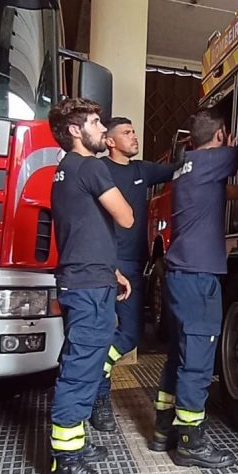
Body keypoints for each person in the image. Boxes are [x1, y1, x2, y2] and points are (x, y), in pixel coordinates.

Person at [149, 111, 238, 467]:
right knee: (197, 361)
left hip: (183, 276)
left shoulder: (189, 167)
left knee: (179, 354)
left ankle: (163, 429)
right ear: (222, 135)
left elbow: (223, 191)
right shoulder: (213, 158)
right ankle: (191, 443)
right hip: (198, 279)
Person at [46, 98, 134, 474]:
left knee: (83, 361)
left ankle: (75, 446)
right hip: (87, 287)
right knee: (81, 368)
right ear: (75, 131)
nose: (104, 129)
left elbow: (80, 229)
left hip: (84, 278)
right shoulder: (91, 166)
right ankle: (65, 461)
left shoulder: (63, 172)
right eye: (97, 123)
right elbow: (126, 216)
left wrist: (110, 270)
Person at [89, 117, 178, 432]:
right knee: (96, 332)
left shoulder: (142, 171)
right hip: (103, 265)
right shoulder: (98, 170)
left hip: (133, 267)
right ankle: (99, 401)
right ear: (111, 141)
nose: (133, 136)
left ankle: (99, 370)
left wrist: (212, 151)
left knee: (129, 334)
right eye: (126, 133)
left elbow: (178, 168)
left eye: (133, 131)